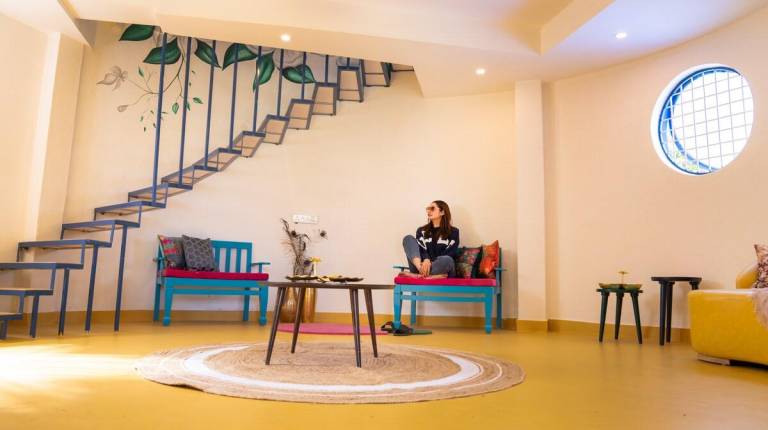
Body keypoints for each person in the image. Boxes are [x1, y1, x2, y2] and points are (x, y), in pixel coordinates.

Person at [401, 200, 460, 278]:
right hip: (421, 267)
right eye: (428, 209)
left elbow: (450, 252)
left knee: (447, 259)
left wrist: (430, 263)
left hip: (439, 268)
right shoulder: (421, 230)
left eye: (432, 208)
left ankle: (419, 276)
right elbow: (421, 249)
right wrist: (426, 260)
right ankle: (423, 274)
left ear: (442, 212)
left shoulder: (454, 232)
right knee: (408, 239)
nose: (428, 211)